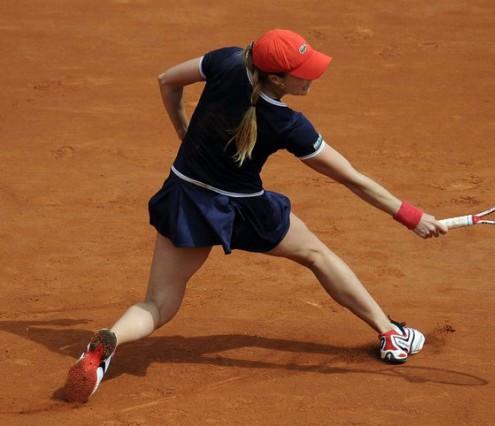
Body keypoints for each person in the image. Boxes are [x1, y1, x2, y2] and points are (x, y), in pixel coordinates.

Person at [63, 29, 448, 403]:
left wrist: (182, 128)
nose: (311, 77)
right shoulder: (287, 124)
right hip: (244, 211)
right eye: (303, 73)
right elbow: (351, 178)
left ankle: (106, 344)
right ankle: (390, 332)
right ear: (277, 79)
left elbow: (167, 80)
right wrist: (410, 215)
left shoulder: (227, 61)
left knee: (158, 305)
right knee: (317, 254)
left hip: (185, 201)